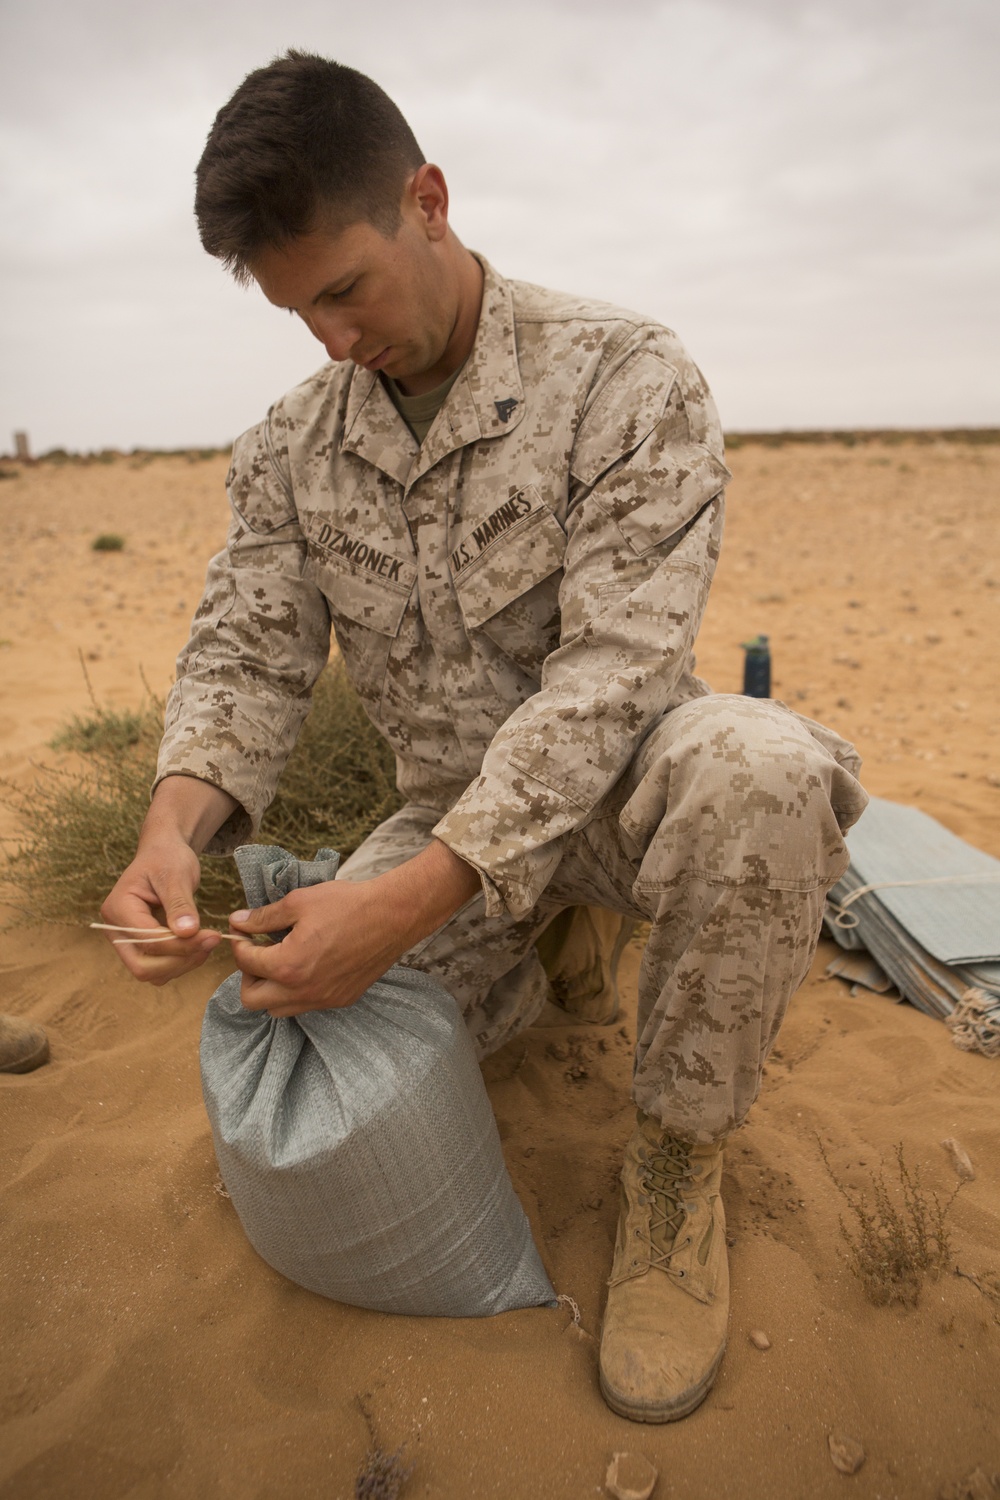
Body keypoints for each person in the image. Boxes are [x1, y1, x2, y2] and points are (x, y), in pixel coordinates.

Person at [101, 52, 868, 1423]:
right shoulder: (289, 449)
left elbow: (610, 683)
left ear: (430, 202)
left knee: (762, 768)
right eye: (296, 313)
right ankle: (550, 957)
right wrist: (172, 834)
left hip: (631, 789)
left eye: (346, 289)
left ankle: (678, 1167)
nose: (333, 338)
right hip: (439, 816)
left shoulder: (628, 378)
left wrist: (403, 903)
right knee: (317, 1051)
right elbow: (247, 659)